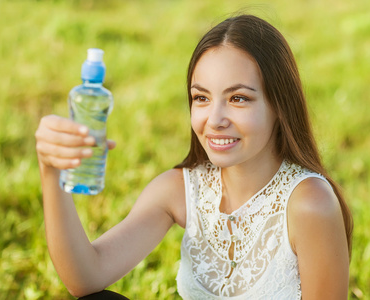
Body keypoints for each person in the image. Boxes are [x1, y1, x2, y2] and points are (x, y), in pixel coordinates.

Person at [35, 14, 353, 300]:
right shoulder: (180, 190)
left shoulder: (310, 203)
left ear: (279, 105)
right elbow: (86, 278)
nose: (214, 119)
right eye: (201, 97)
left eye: (238, 98)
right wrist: (51, 170)